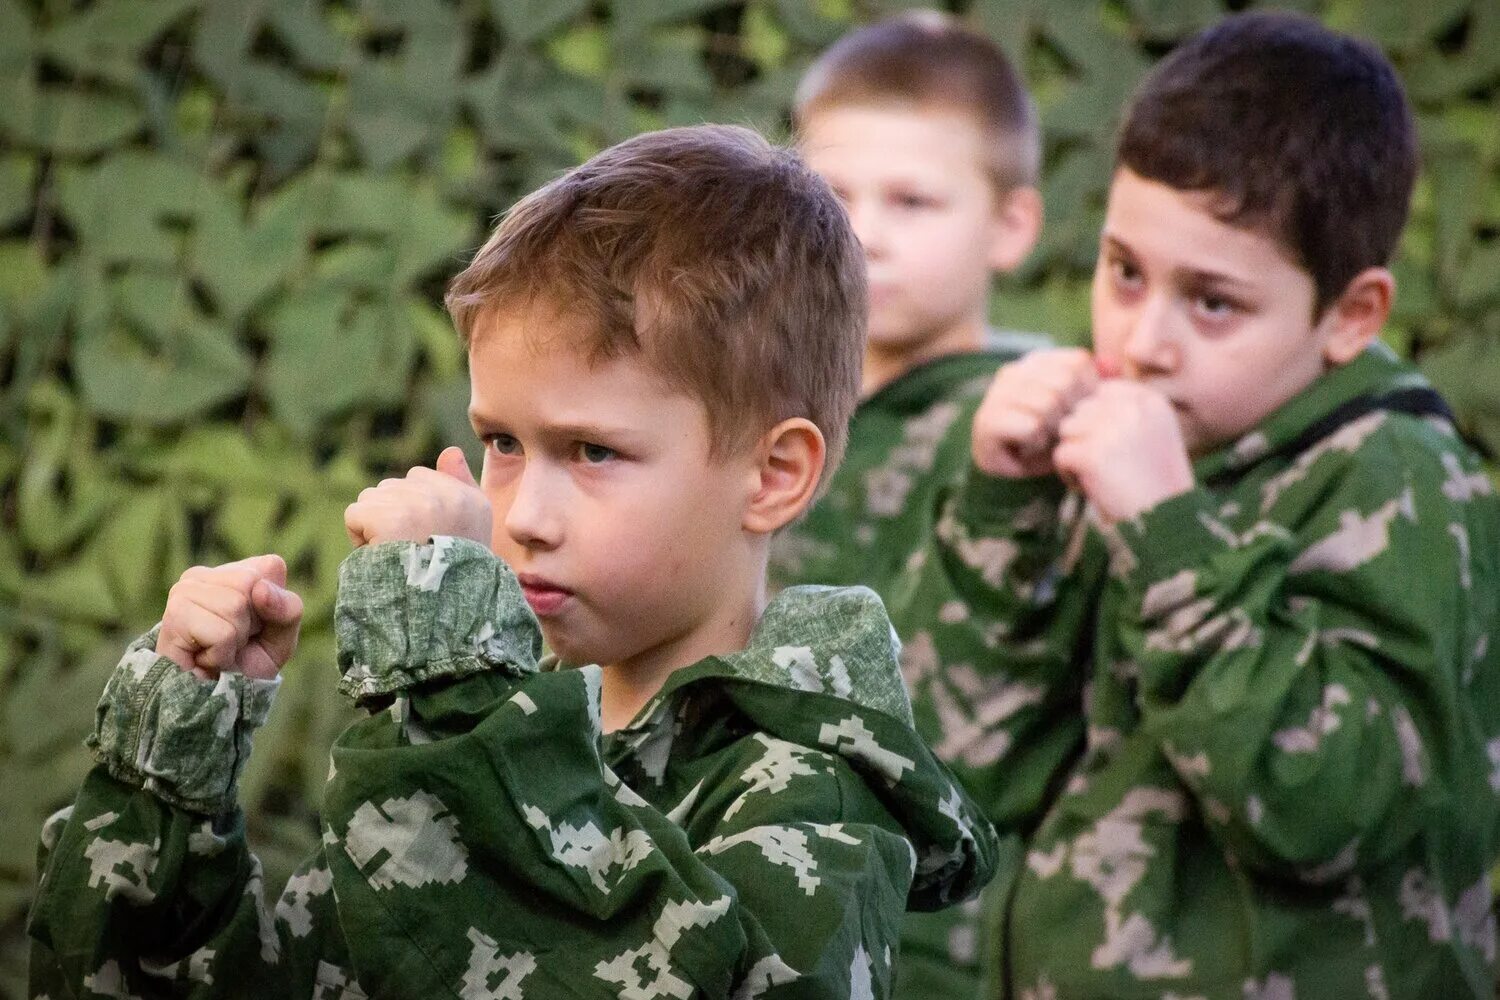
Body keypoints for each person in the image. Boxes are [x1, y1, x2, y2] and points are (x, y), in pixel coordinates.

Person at [28, 124, 997, 999]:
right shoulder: (493, 719)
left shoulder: (810, 797)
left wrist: (449, 677)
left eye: (593, 452)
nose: (523, 516)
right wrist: (169, 778)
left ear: (773, 474)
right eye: (501, 442)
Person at [891, 12, 1500, 997]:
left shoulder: (1401, 479)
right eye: (1125, 272)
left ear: (1351, 316)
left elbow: (1325, 811)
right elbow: (961, 770)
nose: (1145, 340)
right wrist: (1001, 510)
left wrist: (1167, 534)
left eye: (1212, 301)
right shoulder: (1122, 435)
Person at [768, 19, 1045, 992]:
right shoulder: (754, 401)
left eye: (914, 200)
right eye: (832, 194)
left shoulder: (1031, 424)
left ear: (1011, 226)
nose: (865, 231)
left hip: (958, 938)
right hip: (764, 904)